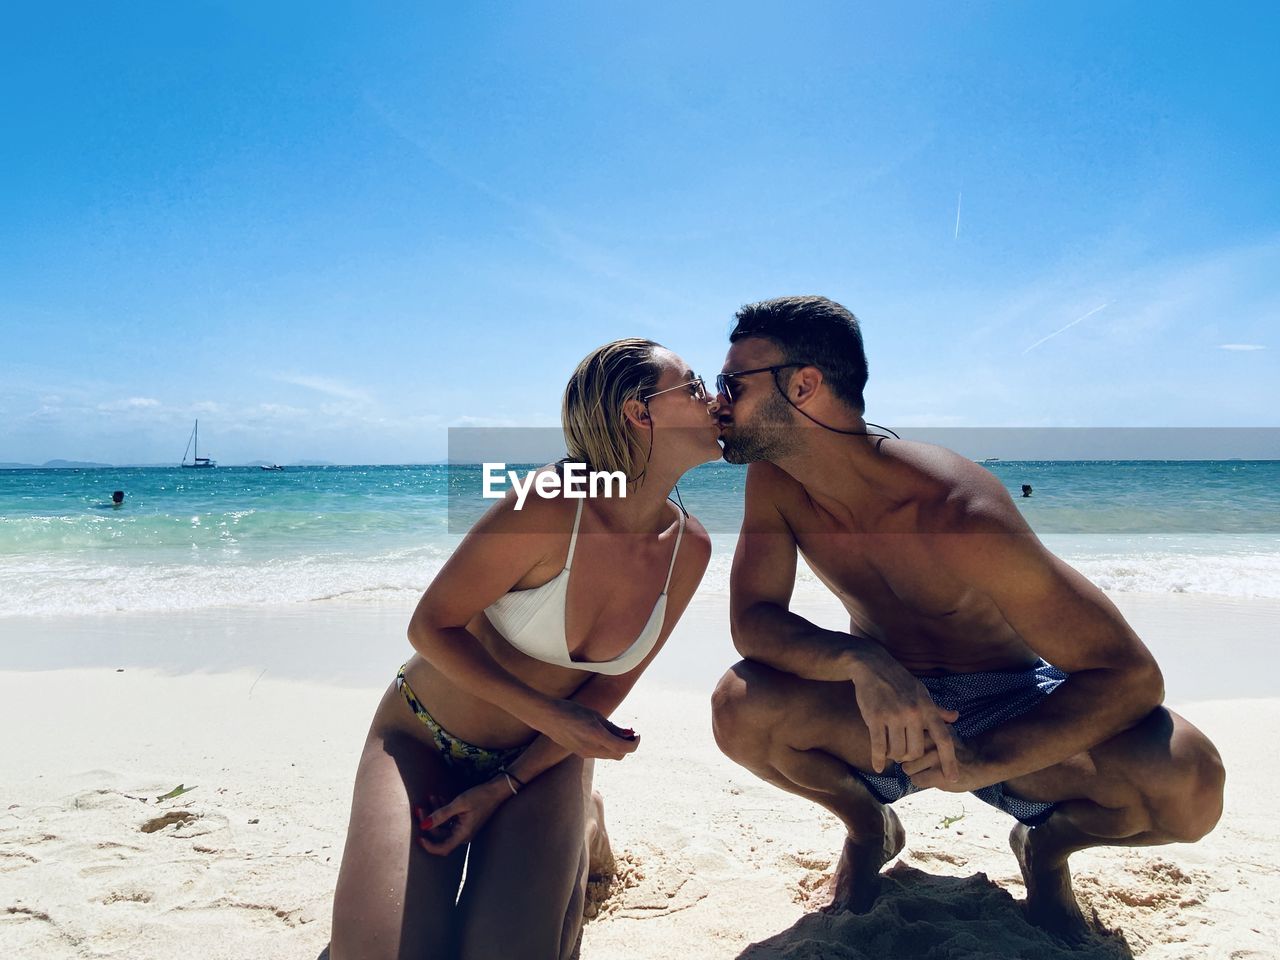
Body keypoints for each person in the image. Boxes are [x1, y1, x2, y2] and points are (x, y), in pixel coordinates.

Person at [708, 296, 1224, 940]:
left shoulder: (960, 510)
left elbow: (1130, 676)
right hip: (884, 706)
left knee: (1190, 781)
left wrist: (982, 757)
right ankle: (870, 828)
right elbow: (753, 621)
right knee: (739, 705)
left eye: (732, 383)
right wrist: (860, 659)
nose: (715, 402)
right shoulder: (775, 479)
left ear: (804, 385)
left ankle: (1047, 848)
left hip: (1008, 703)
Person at [330, 339, 718, 960]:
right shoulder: (550, 502)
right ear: (639, 413)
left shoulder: (689, 548)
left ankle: (581, 816)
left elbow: (608, 688)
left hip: (544, 761)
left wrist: (505, 785)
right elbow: (431, 625)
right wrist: (552, 714)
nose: (714, 397)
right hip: (422, 737)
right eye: (693, 385)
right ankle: (578, 822)